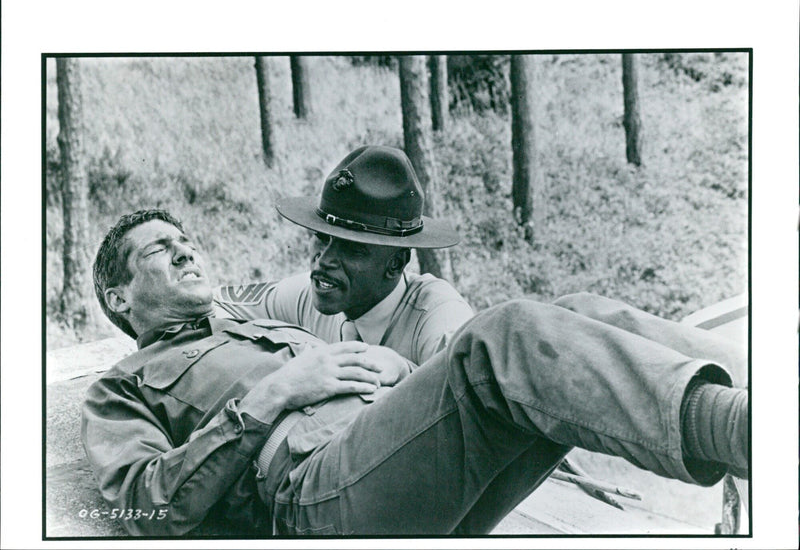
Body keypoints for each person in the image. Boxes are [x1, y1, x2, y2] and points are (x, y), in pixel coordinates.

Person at [82, 209, 748, 536]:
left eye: (186, 239)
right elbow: (148, 509)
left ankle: (757, 401)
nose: (185, 248)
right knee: (506, 334)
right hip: (316, 499)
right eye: (160, 249)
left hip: (394, 465)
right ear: (118, 297)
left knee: (577, 311)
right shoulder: (123, 386)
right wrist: (269, 396)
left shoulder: (253, 320)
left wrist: (401, 366)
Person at [213, 145, 474, 366]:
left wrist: (403, 373)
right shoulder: (310, 293)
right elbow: (212, 306)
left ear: (395, 264)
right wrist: (286, 354)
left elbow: (470, 407)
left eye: (352, 248)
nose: (324, 260)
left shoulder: (439, 316)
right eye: (322, 238)